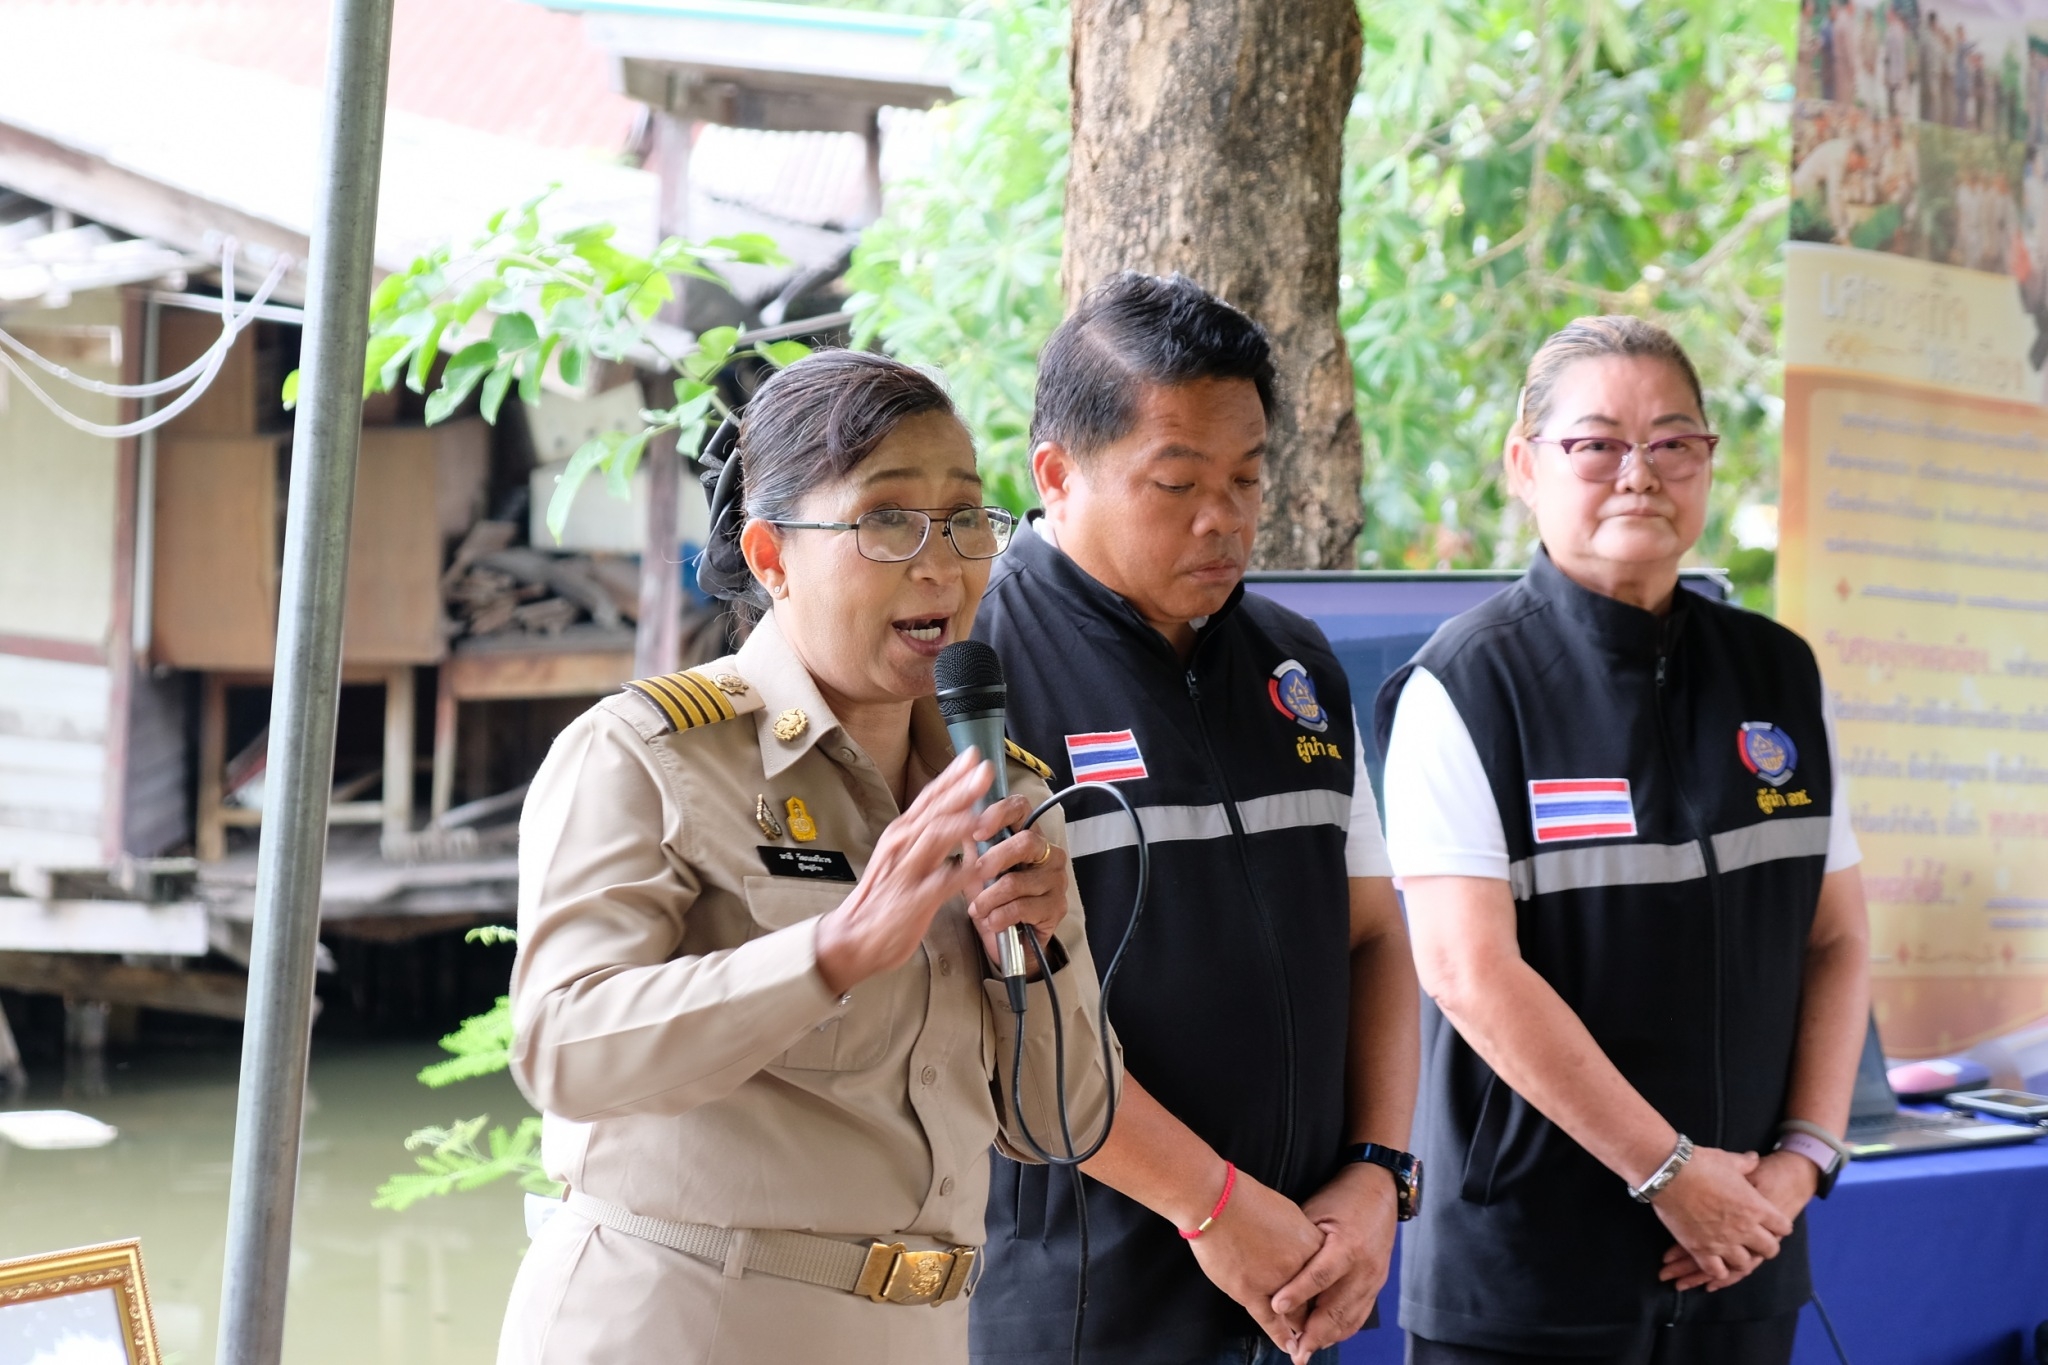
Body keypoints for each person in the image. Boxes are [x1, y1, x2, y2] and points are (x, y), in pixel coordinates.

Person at [498, 351, 1119, 1365]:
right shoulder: (646, 756)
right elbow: (562, 1050)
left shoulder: (1001, 790)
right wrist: (832, 950)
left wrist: (1039, 952)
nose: (940, 563)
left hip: (924, 1334)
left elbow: (1063, 1126)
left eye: (965, 518)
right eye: (887, 520)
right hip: (684, 1325)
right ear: (771, 554)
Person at [1376, 316, 1871, 1364]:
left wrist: (1799, 1163)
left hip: (1742, 1253)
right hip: (1531, 1278)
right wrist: (1670, 1171)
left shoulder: (1778, 675)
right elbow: (1467, 973)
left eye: (1673, 442)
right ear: (1524, 466)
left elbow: (1833, 938)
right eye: (1596, 444)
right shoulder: (1464, 686)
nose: (1639, 473)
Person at [969, 272, 1421, 1365]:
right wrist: (1214, 1207)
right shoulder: (973, 675)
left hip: (1299, 1281)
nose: (1224, 518)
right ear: (1056, 474)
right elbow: (991, 1021)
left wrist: (1375, 1174)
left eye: (1247, 477)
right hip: (1081, 1305)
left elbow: (1372, 933)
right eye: (1175, 483)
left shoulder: (1296, 664)